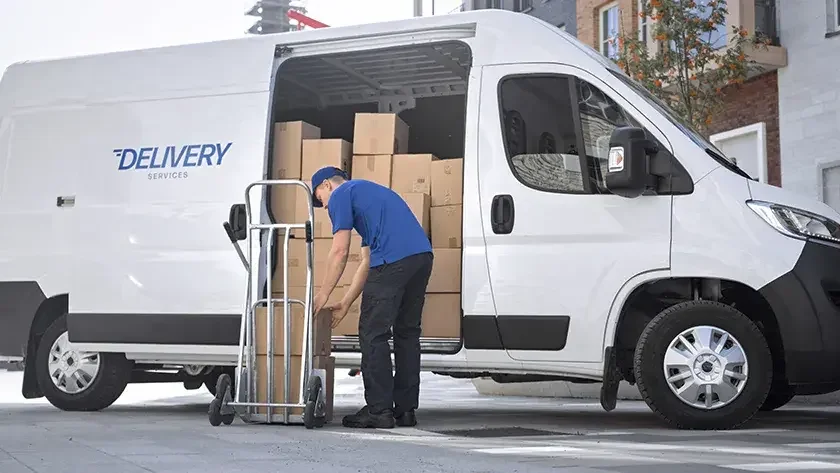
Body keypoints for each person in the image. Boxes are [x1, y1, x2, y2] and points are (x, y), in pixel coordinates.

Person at [309, 166, 434, 429]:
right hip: (421, 257)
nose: (323, 207)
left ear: (327, 186)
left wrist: (322, 294)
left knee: (373, 334)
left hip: (394, 261)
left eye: (319, 198)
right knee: (407, 334)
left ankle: (379, 411)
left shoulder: (342, 194)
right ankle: (405, 410)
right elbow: (366, 263)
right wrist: (345, 302)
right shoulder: (369, 194)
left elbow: (340, 251)